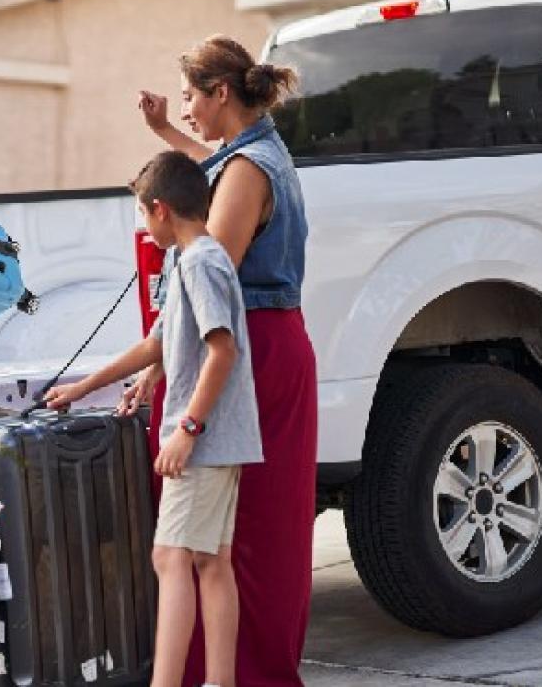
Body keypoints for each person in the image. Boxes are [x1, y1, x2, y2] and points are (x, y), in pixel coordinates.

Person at [128, 35, 318, 687]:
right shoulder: (255, 154)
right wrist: (163, 133)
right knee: (254, 530)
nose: (184, 110)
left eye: (188, 98)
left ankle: (240, 674)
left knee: (236, 535)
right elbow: (214, 167)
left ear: (220, 94)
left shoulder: (245, 171)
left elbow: (208, 277)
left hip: (250, 354)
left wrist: (156, 361)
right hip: (268, 343)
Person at [45, 150, 262, 687]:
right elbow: (158, 343)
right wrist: (86, 385)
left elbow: (222, 351)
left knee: (170, 557)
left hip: (204, 441)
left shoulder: (201, 263)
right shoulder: (193, 260)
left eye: (143, 213)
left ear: (161, 209)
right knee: (211, 562)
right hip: (222, 439)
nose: (144, 224)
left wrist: (187, 428)